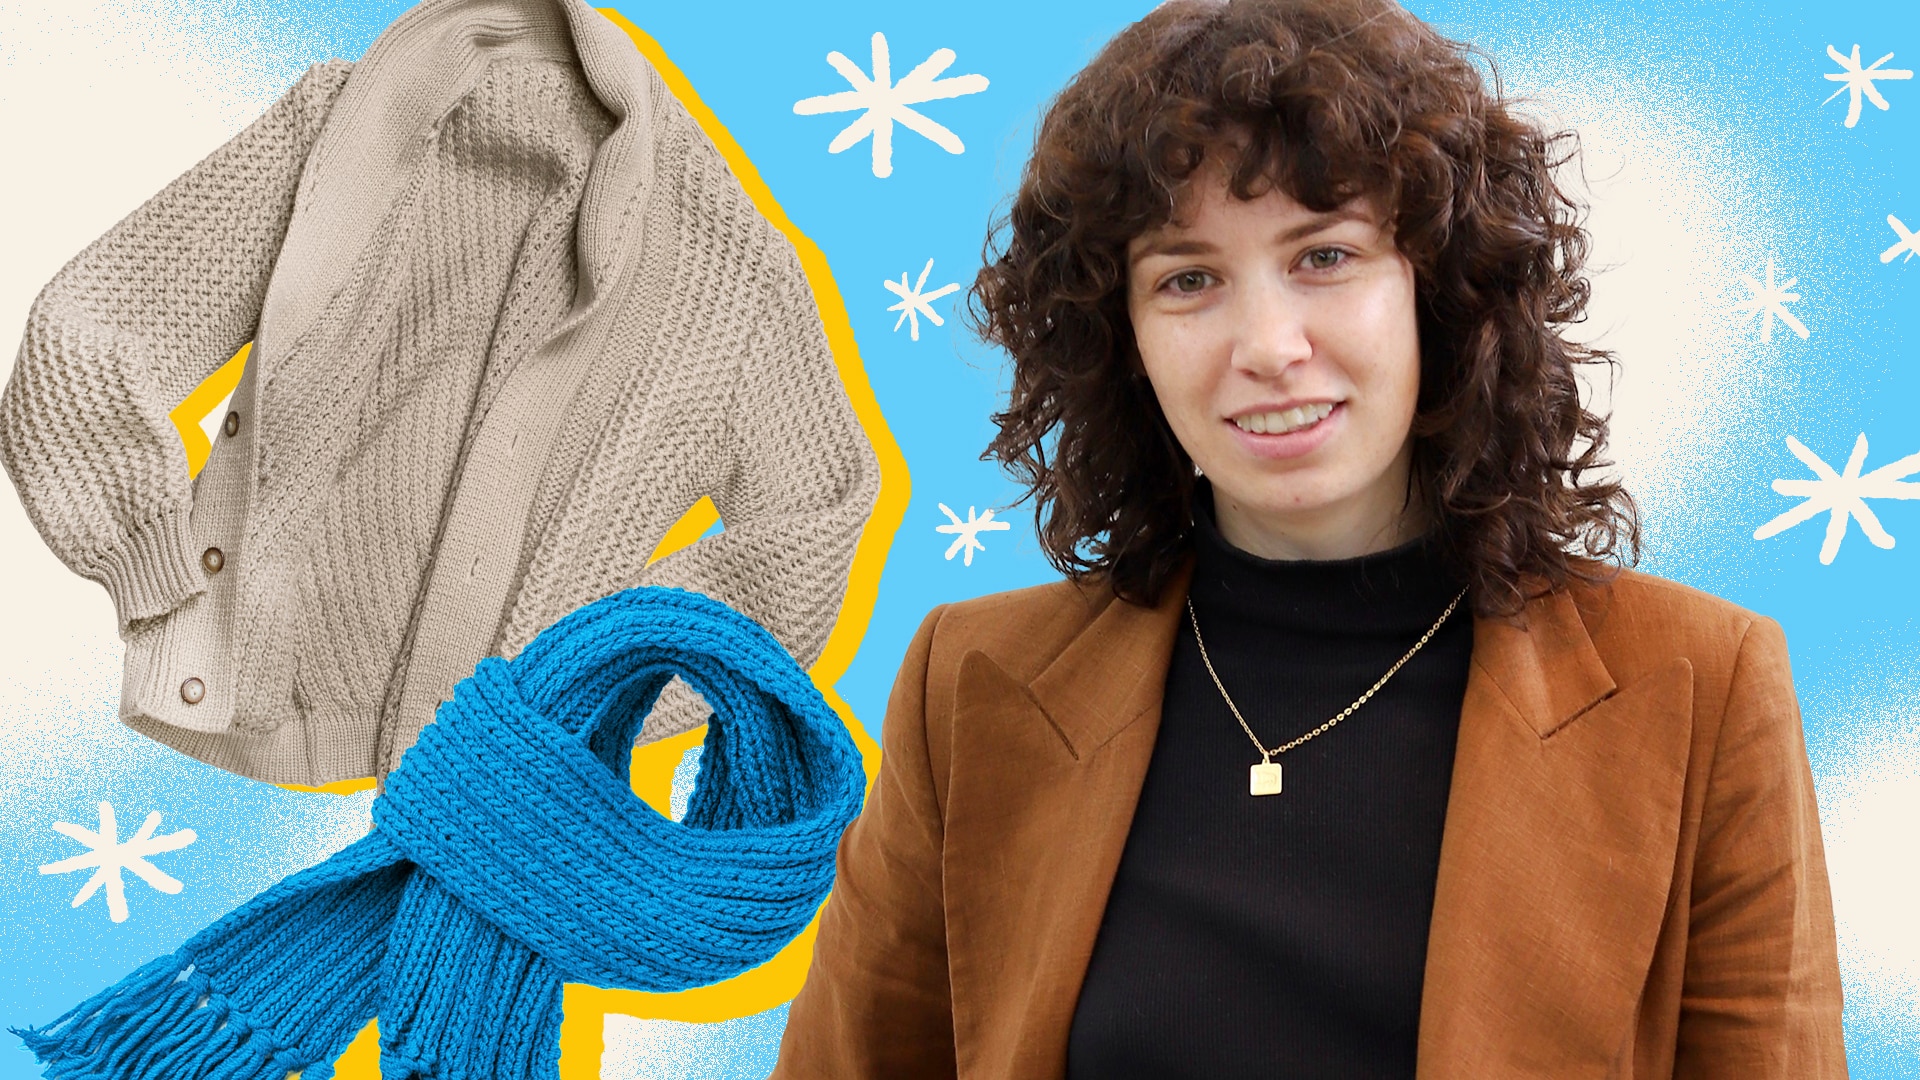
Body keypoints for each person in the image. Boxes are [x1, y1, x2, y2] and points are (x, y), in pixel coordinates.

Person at [771, 0, 1847, 1076]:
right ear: (1121, 337)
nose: (1268, 346)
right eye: (1188, 279)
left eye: (1325, 256)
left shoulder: (1702, 688)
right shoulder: (970, 686)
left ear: (1440, 287)